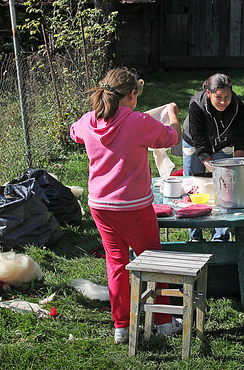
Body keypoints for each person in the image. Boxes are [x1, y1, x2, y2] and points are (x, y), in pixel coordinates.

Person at [70, 67, 183, 345]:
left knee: (117, 263)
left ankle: (121, 326)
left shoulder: (88, 121)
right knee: (153, 261)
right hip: (133, 206)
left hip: (100, 205)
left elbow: (75, 133)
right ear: (132, 95)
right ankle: (165, 321)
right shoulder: (138, 121)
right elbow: (172, 137)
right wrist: (174, 117)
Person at [182, 73, 244, 242]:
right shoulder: (196, 104)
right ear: (208, 93)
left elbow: (240, 137)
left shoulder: (237, 106)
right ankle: (195, 236)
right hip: (195, 144)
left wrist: (238, 165)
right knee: (195, 188)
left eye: (227, 97)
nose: (224, 102)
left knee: (225, 188)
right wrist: (210, 163)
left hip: (222, 143)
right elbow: (199, 139)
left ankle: (220, 237)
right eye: (218, 97)